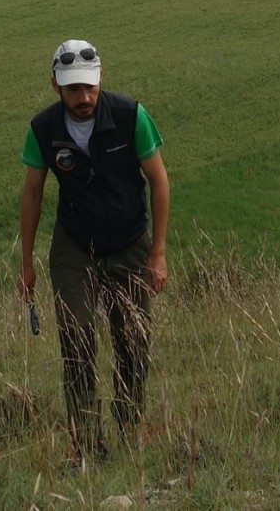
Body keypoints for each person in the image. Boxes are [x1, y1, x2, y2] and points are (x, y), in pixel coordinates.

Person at [17, 39, 170, 464]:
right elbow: (31, 194)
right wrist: (26, 264)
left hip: (129, 240)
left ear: (100, 78)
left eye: (89, 87)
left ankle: (128, 429)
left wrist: (156, 253)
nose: (84, 98)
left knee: (132, 340)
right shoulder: (43, 129)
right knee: (77, 338)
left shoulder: (130, 115)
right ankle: (85, 444)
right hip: (74, 246)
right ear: (55, 86)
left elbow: (159, 182)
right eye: (73, 90)